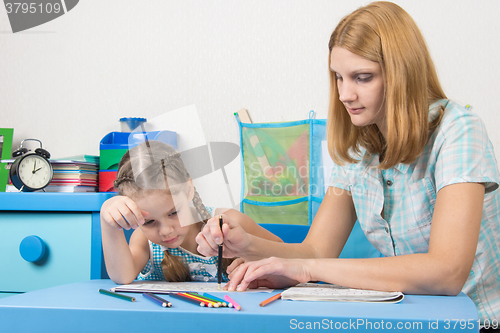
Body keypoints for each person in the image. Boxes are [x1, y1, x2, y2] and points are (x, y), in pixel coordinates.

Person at [196, 1, 500, 329]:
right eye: (338, 77)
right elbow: (316, 250)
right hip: (411, 322)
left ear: (403, 75)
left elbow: (447, 272)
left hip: (480, 322)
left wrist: (310, 271)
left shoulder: (459, 130)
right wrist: (248, 245)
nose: (344, 94)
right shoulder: (359, 151)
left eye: (362, 77)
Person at [101, 140, 282, 285]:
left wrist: (256, 259)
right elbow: (122, 277)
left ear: (188, 190)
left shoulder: (228, 222)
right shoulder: (144, 240)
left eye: (173, 213)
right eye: (148, 222)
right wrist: (108, 223)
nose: (165, 230)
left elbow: (286, 254)